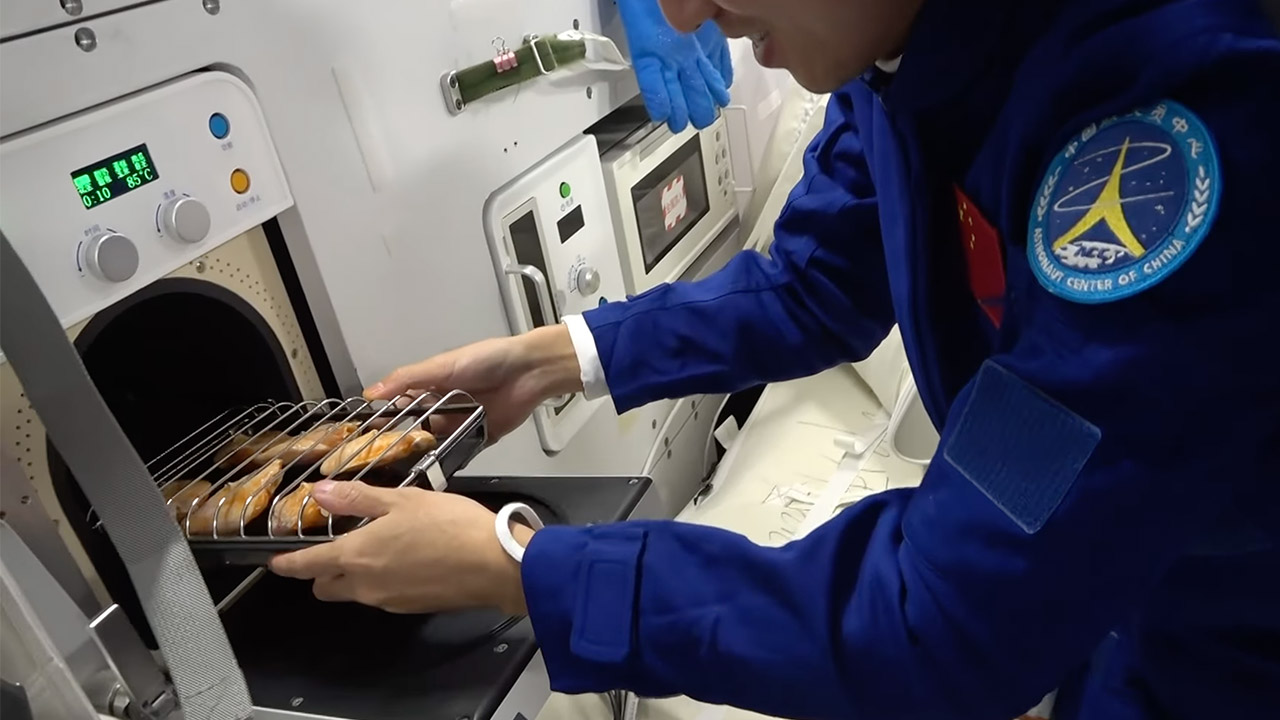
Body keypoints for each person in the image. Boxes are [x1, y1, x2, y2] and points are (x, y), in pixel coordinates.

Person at [270, 0, 1280, 717]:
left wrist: (526, 568)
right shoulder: (900, 55)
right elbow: (813, 279)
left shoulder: (1177, 109)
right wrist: (558, 357)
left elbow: (943, 617)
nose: (682, 8)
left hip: (1228, 640)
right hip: (1120, 604)